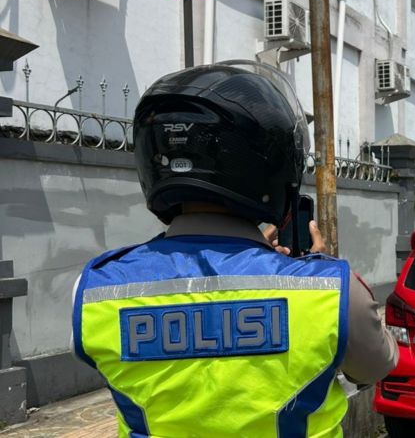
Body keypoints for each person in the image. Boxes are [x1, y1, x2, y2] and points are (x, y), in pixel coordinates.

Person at [71, 62, 397, 437]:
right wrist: (318, 267)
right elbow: (374, 367)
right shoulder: (330, 291)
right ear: (274, 173)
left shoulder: (96, 288)